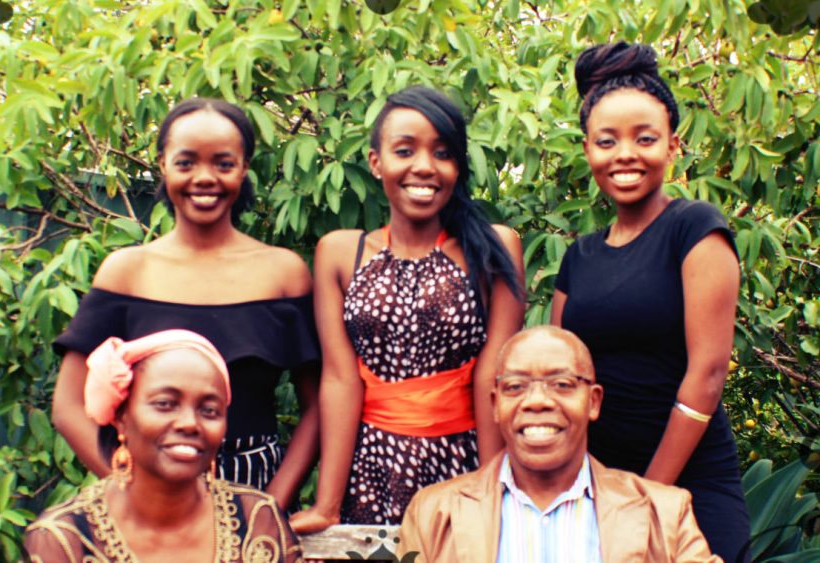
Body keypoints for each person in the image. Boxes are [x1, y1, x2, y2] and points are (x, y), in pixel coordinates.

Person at [52, 98, 320, 509]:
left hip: (257, 495)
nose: (205, 177)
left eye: (224, 164)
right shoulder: (127, 271)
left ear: (244, 168)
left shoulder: (283, 274)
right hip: (147, 501)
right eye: (186, 162)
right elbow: (68, 406)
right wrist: (134, 488)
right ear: (162, 164)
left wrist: (270, 508)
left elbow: (318, 407)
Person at [290, 86, 525, 531]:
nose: (424, 166)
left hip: (462, 460)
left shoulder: (493, 248)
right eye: (405, 150)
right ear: (377, 162)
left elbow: (493, 376)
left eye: (442, 153)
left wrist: (495, 490)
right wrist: (327, 505)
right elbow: (341, 379)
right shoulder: (340, 253)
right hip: (370, 464)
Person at [550, 42, 749, 561]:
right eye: (606, 140)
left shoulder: (695, 228)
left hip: (688, 485)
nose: (625, 155)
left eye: (645, 138)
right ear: (588, 149)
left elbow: (707, 374)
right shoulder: (579, 256)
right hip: (592, 488)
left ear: (673, 145)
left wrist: (647, 494)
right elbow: (562, 376)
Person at [398, 326, 718, 562]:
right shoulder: (433, 512)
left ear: (593, 402)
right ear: (495, 405)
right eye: (515, 387)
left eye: (562, 384)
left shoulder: (665, 513)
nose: (536, 401)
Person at [26, 329, 303, 562]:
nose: (189, 423)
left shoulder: (256, 520)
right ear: (122, 417)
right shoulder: (65, 540)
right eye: (165, 404)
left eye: (209, 410)